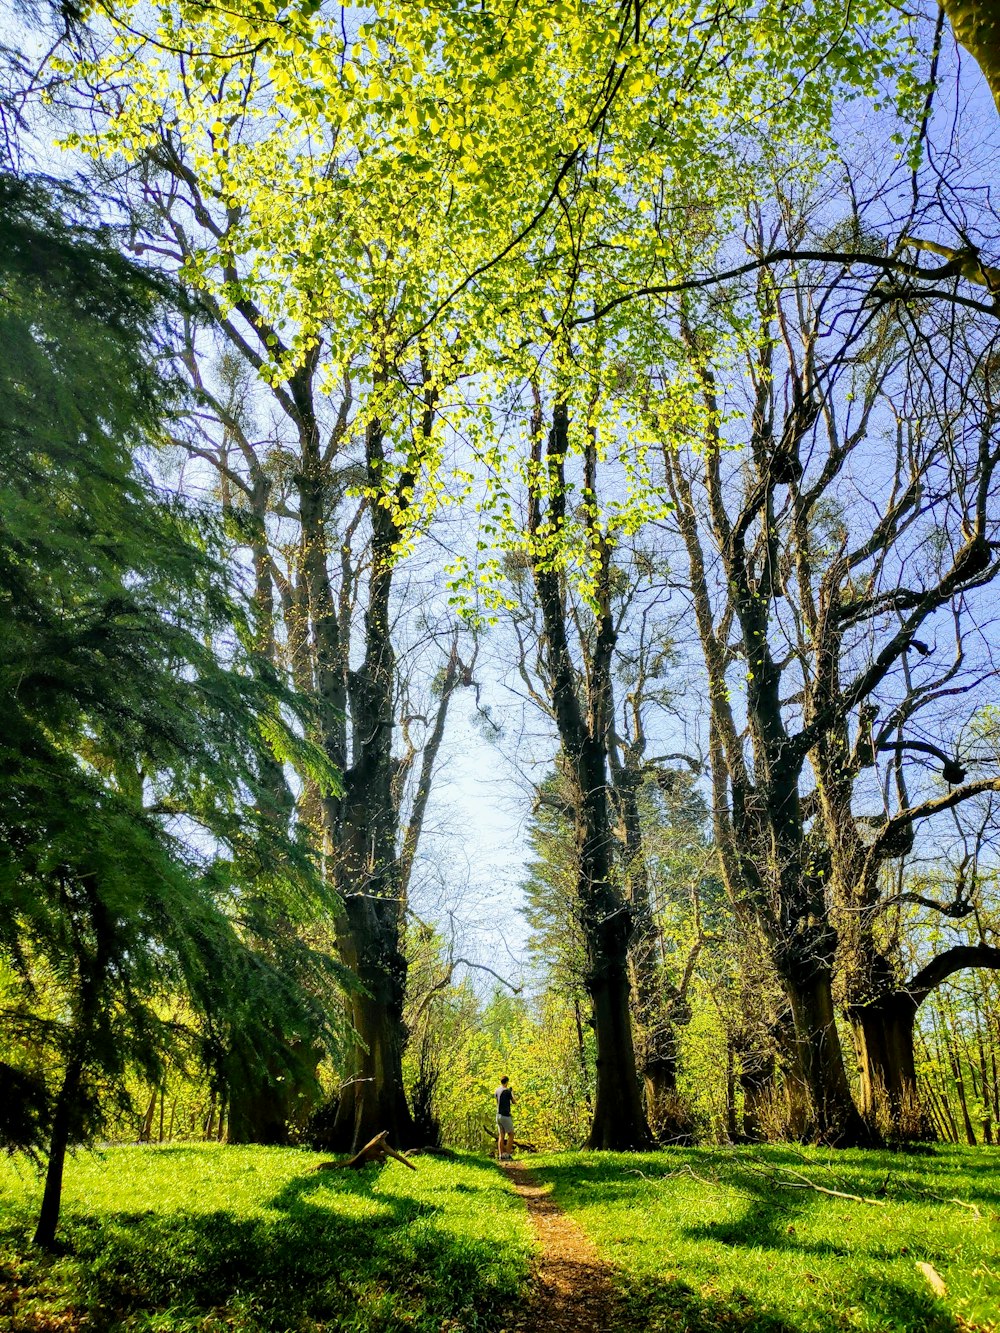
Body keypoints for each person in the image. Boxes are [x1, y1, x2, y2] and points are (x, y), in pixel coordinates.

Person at [494, 1075, 515, 1161]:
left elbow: (497, 1101)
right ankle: (507, 1154)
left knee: (501, 1135)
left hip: (498, 1115)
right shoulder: (507, 1091)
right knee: (511, 1134)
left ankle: (500, 1155)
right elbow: (514, 1101)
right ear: (507, 1082)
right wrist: (511, 1092)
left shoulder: (497, 1090)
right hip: (505, 1116)